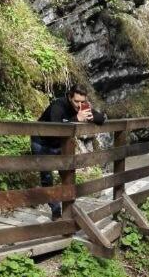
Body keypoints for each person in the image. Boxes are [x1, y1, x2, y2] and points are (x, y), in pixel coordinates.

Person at [31, 84, 105, 220]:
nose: (79, 105)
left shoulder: (83, 106)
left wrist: (91, 117)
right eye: (76, 101)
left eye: (82, 101)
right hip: (42, 141)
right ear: (70, 97)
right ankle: (56, 211)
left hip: (60, 144)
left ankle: (68, 208)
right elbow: (55, 127)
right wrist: (76, 119)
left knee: (67, 175)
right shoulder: (58, 105)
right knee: (47, 177)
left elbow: (101, 118)